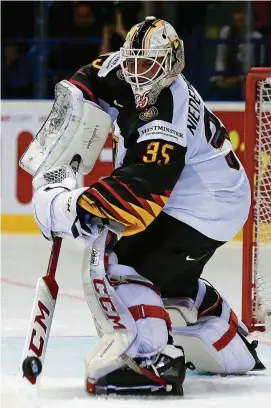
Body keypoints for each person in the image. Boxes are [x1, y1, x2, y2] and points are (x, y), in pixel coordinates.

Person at [31, 17, 265, 396]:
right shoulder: (130, 67)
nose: (138, 73)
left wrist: (63, 206)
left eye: (148, 64)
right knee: (163, 275)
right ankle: (227, 343)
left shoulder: (165, 115)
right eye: (133, 61)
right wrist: (77, 113)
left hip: (205, 207)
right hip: (217, 194)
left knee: (111, 261)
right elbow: (91, 77)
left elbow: (137, 199)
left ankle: (146, 358)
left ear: (173, 65)